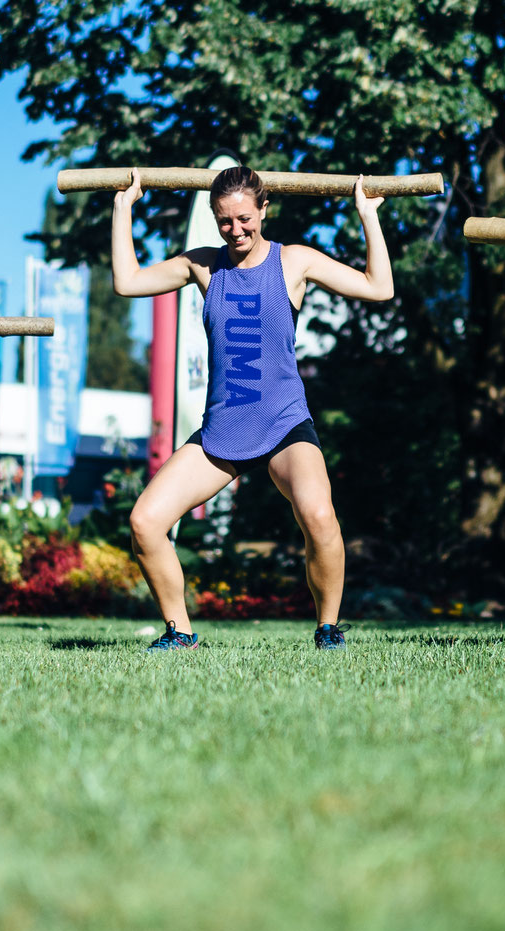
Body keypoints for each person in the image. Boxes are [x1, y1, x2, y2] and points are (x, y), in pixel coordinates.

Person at [111, 167, 393, 650]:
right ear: (214, 219)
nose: (236, 230)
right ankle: (180, 634)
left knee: (319, 516)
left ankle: (328, 629)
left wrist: (368, 216)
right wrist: (123, 209)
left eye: (245, 218)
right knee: (145, 522)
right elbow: (127, 282)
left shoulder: (295, 262)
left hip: (285, 426)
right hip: (223, 433)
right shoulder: (202, 266)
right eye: (225, 222)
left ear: (264, 209)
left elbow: (378, 287)